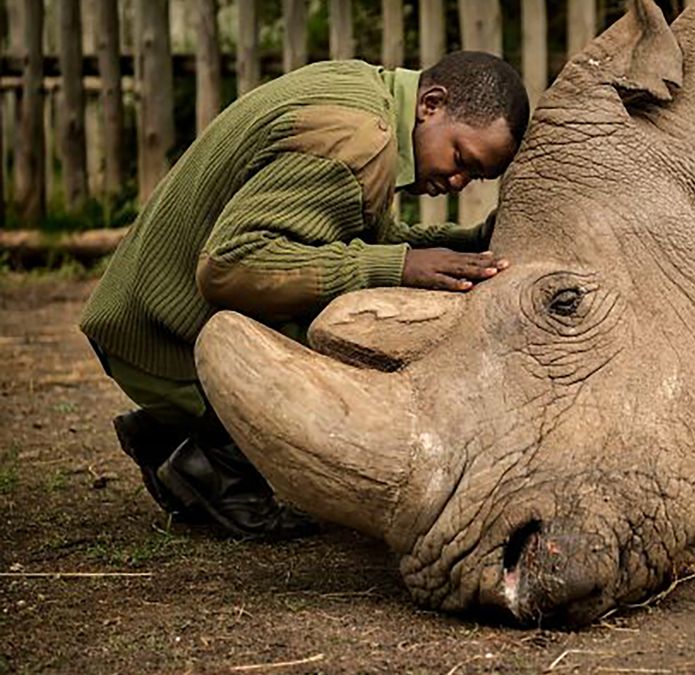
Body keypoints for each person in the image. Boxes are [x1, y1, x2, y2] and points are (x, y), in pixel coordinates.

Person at [80, 51, 531, 539]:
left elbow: (354, 238)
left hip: (142, 312)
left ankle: (174, 432)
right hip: (157, 337)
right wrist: (395, 267)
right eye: (462, 158)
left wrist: (468, 245)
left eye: (475, 177)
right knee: (354, 329)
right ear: (432, 104)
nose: (458, 181)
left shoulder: (366, 96)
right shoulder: (357, 141)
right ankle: (204, 451)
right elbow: (229, 267)